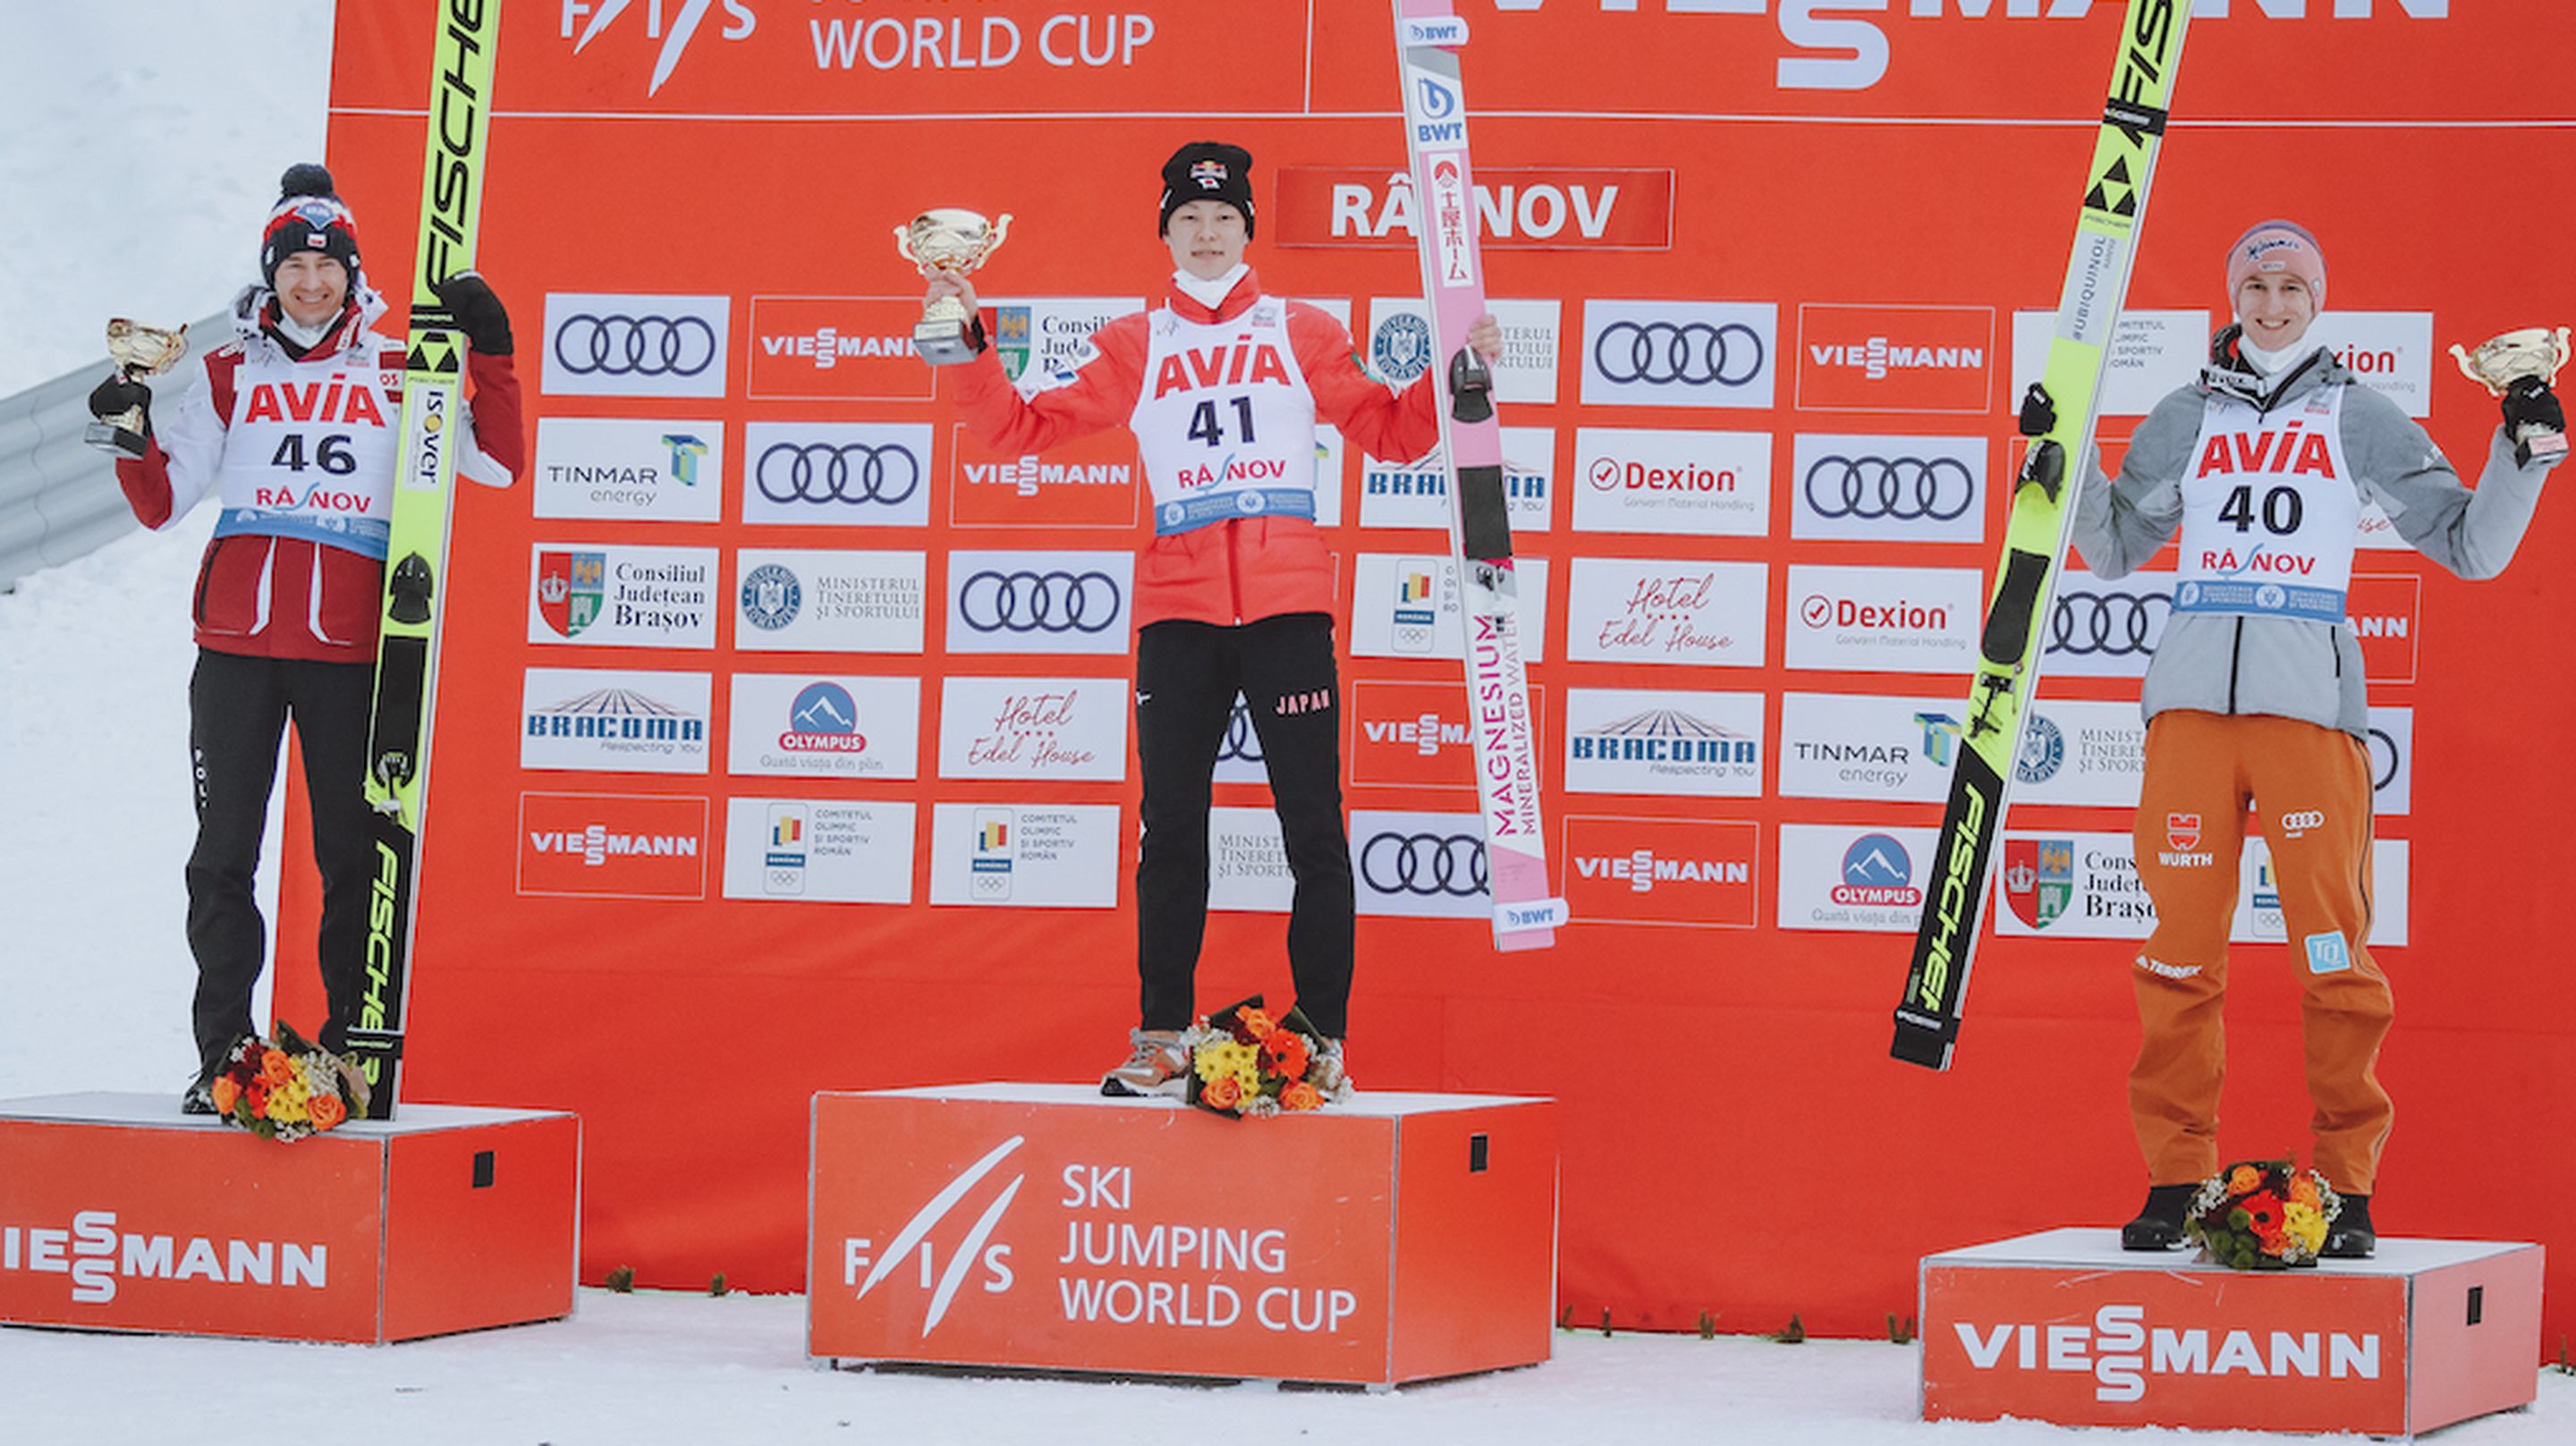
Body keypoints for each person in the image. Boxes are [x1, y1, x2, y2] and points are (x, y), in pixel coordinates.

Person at [928, 140, 1498, 1096]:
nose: (1205, 233)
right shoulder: (1134, 343)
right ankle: (1159, 1038)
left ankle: (1323, 1042)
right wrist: (966, 345)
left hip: (1286, 609)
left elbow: (1390, 434)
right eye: (1187, 220)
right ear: (1165, 231)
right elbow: (1018, 427)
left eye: (1222, 218)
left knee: (1313, 828)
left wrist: (1456, 375)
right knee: (1171, 829)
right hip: (1180, 612)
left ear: (1244, 230)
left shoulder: (1303, 329)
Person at [2066, 219, 2561, 1256]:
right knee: (2177, 959)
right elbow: (2113, 547)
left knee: (2334, 960)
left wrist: (2525, 444)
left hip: (2309, 722)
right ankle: (2175, 1178)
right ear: (2234, 297)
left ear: (2319, 297)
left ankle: (2346, 1186)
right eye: (2257, 286)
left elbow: (2470, 547)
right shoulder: (2185, 412)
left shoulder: (2358, 415)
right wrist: (2060, 450)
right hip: (2193, 717)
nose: (2274, 305)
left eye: (2292, 287)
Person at [87, 164, 523, 1111]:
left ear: (352, 274)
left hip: (349, 652)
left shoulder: (403, 365)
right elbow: (164, 504)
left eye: (329, 267)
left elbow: (494, 462)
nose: (312, 284)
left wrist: (488, 352)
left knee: (351, 859)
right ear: (271, 273)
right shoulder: (228, 369)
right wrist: (131, 432)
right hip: (237, 646)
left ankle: (344, 1057)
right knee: (221, 857)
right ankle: (222, 1058)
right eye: (295, 266)